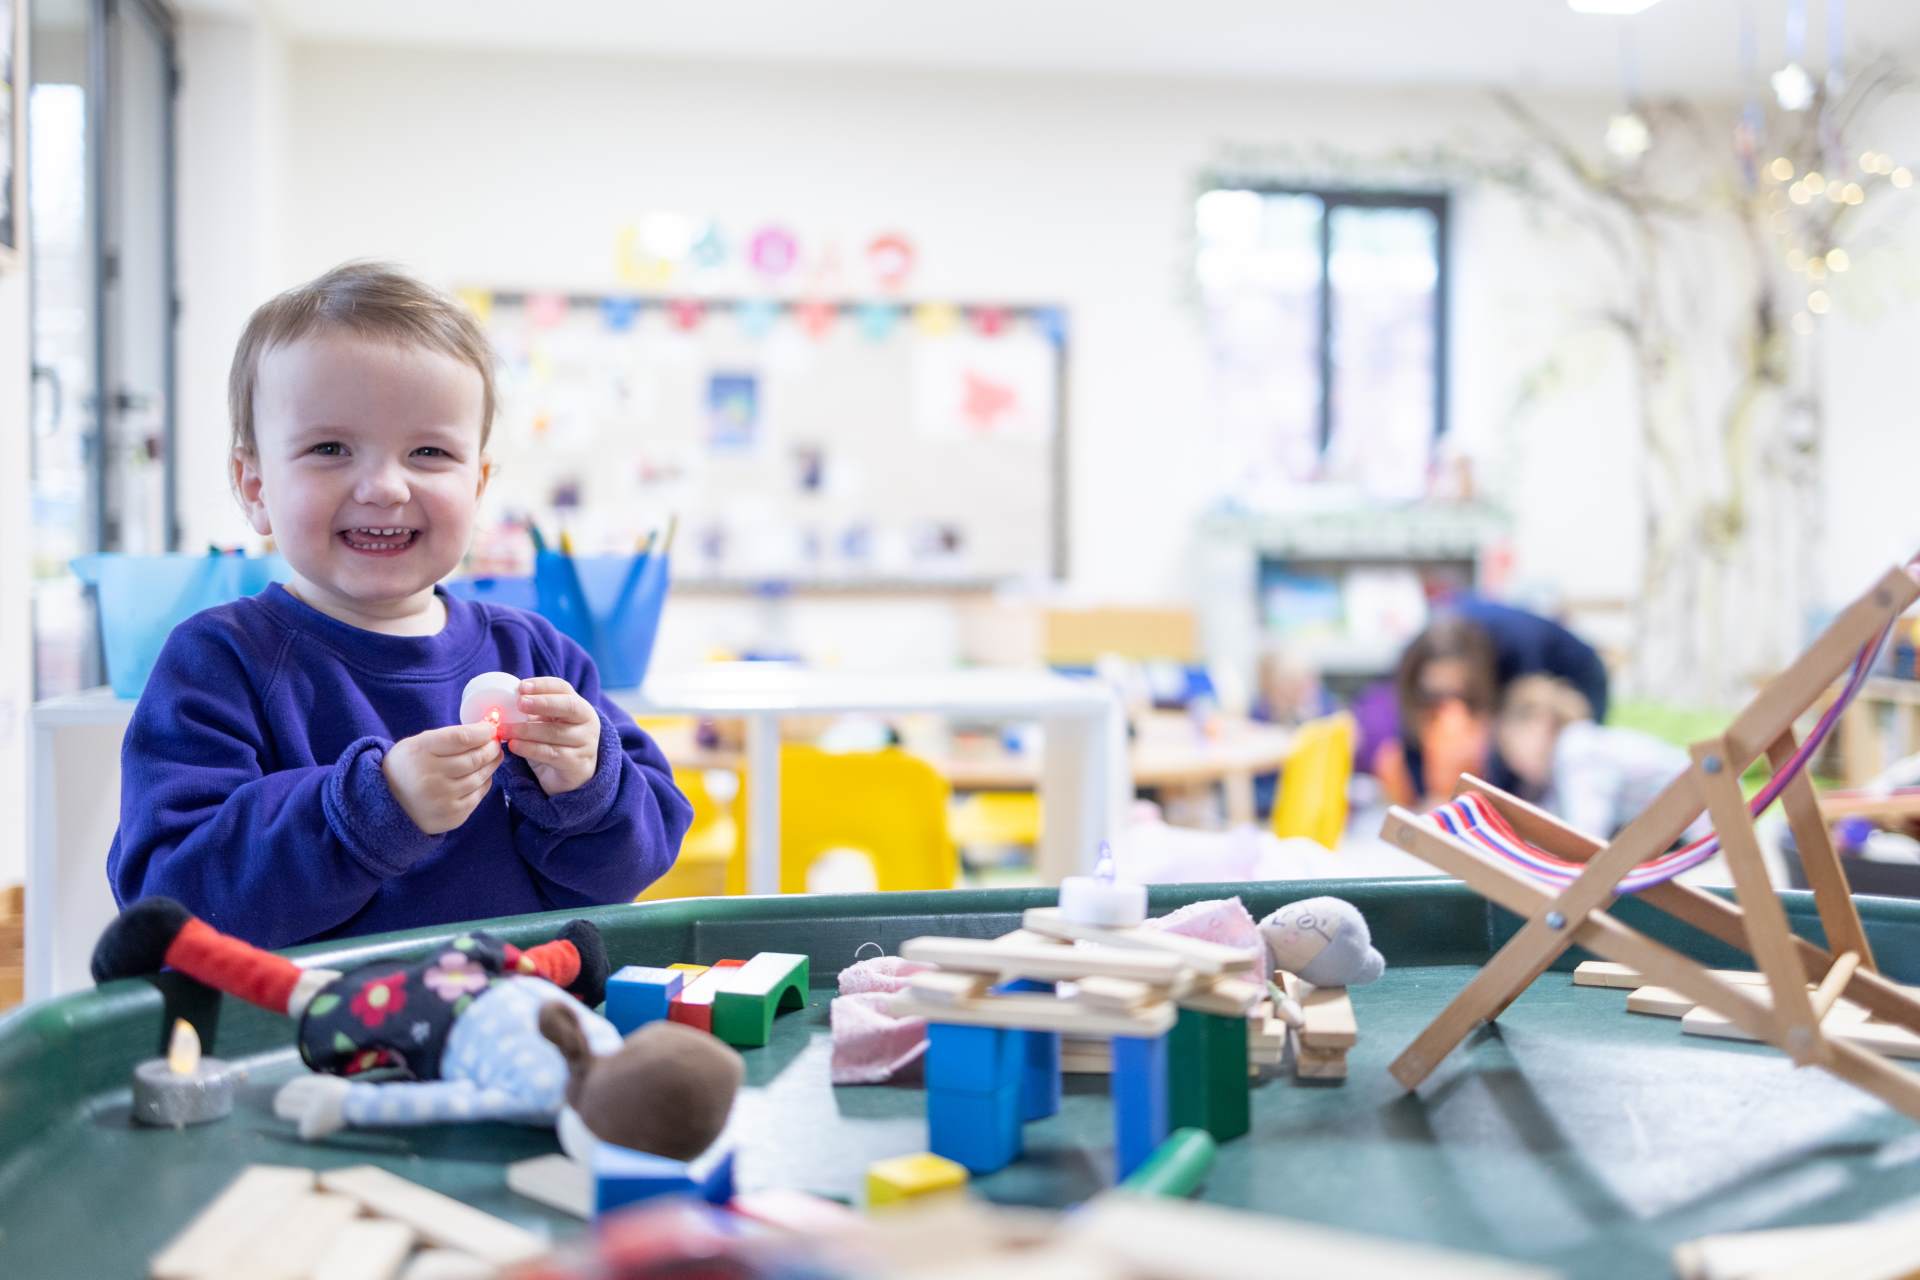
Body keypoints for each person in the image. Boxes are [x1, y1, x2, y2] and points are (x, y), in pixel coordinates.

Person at [107, 262, 691, 948]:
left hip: (525, 1025)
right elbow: (170, 900)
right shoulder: (219, 661)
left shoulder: (539, 656)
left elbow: (634, 864)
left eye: (428, 451)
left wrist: (587, 788)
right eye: (330, 448)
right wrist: (373, 809)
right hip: (301, 1040)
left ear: (477, 483)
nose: (384, 487)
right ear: (255, 484)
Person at [1374, 598, 1609, 807]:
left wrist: (1502, 800)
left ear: (1472, 674)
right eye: (1436, 692)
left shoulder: (1514, 648)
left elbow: (1523, 730)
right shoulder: (1420, 653)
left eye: (1458, 689)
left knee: (1567, 763)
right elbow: (1412, 727)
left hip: (1580, 673)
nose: (1448, 700)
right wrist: (1423, 796)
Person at [1495, 675, 1699, 840]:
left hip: (1708, 823)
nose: (1515, 765)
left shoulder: (1578, 752)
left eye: (1512, 748)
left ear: (1540, 723)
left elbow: (1586, 836)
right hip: (1700, 818)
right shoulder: (1574, 751)